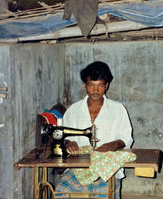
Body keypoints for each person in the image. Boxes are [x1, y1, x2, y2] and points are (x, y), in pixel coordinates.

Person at [55, 61, 133, 198]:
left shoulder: (118, 109)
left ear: (106, 85)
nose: (96, 90)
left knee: (103, 194)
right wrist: (68, 143)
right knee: (60, 192)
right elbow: (63, 135)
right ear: (85, 84)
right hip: (77, 168)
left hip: (108, 169)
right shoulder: (74, 110)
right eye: (91, 85)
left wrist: (112, 144)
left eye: (100, 85)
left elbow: (127, 138)